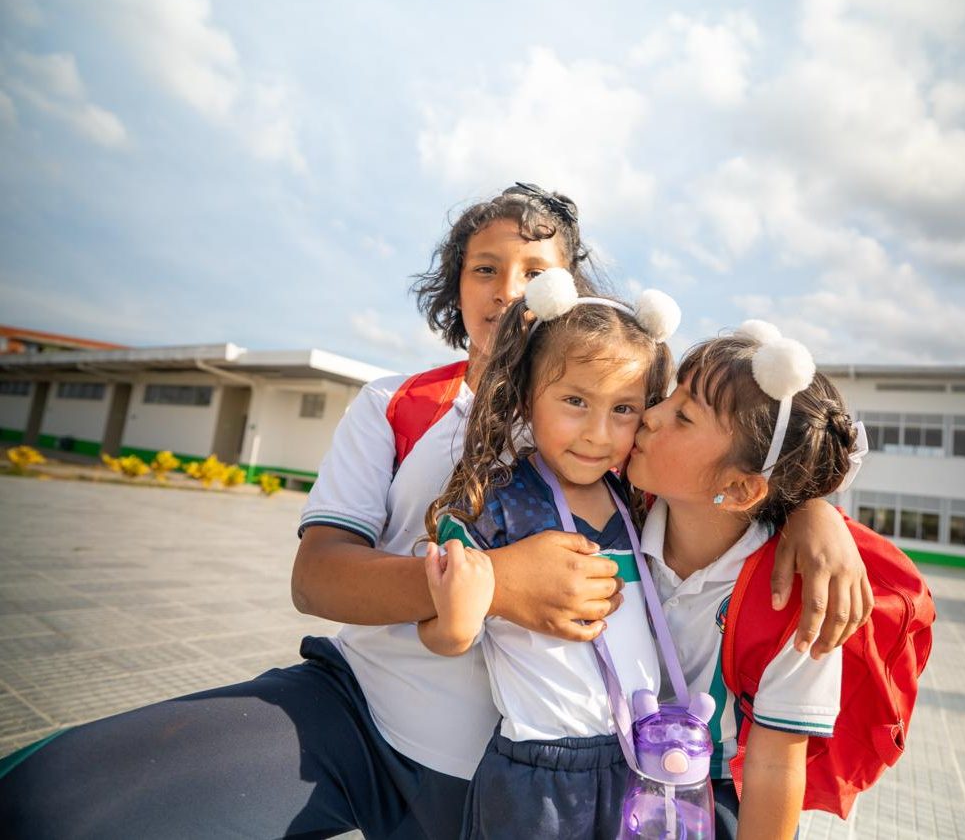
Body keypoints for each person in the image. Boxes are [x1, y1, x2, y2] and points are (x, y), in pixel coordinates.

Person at [0, 185, 869, 839]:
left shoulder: (615, 439)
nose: (508, 287)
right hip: (360, 721)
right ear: (454, 287)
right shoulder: (395, 404)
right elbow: (315, 576)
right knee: (61, 802)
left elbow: (743, 445)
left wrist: (812, 510)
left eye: (537, 270)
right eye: (484, 268)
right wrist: (487, 584)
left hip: (528, 791)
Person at [419, 269, 678, 838]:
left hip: (640, 761)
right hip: (538, 775)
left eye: (624, 410)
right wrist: (458, 624)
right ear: (525, 394)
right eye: (575, 401)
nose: (597, 432)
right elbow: (439, 633)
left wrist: (814, 517)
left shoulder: (639, 500)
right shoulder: (498, 502)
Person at [626, 323, 864, 839]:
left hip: (713, 803)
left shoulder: (797, 599)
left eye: (683, 416)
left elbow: (776, 768)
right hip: (613, 775)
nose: (650, 414)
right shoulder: (619, 510)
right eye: (670, 397)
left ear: (738, 489)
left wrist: (815, 511)